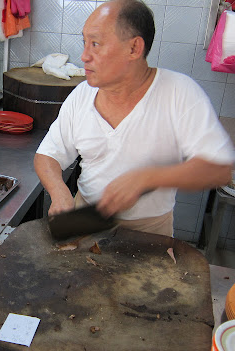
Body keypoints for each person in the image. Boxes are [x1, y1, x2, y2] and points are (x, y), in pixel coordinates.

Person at [34, 0, 235, 237]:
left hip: (149, 232)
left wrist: (147, 177)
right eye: (84, 42)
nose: (84, 56)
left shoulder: (179, 93)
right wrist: (59, 193)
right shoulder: (81, 95)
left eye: (95, 44)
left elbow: (219, 169)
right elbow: (47, 154)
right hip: (84, 222)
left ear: (134, 48)